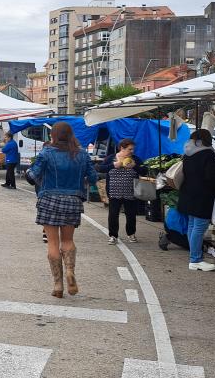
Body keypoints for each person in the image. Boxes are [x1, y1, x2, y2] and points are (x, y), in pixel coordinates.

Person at [27, 121, 97, 298]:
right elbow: (94, 177)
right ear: (71, 135)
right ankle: (70, 271)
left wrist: (30, 173)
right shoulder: (81, 154)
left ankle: (58, 285)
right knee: (68, 241)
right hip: (73, 201)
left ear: (54, 136)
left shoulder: (47, 153)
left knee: (52, 243)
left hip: (49, 200)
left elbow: (32, 176)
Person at [176, 129, 215, 272]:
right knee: (199, 227)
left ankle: (194, 256)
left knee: (192, 225)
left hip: (188, 194)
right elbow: (211, 178)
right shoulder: (208, 155)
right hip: (202, 196)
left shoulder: (188, 154)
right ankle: (195, 259)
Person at [99, 139, 145, 244]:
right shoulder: (111, 158)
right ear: (122, 148)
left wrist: (135, 167)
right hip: (114, 192)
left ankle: (131, 234)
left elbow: (145, 170)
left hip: (131, 193)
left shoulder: (135, 159)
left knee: (131, 215)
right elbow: (99, 168)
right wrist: (114, 165)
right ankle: (113, 236)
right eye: (130, 149)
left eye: (133, 149)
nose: (132, 151)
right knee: (113, 215)